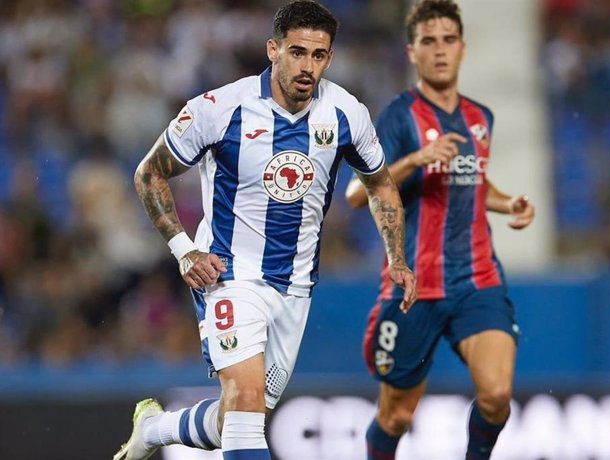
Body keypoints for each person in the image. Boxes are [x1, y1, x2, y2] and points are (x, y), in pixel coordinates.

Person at [113, 2, 417, 459]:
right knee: (247, 400)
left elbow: (379, 185)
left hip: (294, 286)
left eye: (318, 56)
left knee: (234, 419)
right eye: (297, 52)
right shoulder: (219, 109)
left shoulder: (345, 114)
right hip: (227, 273)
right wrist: (183, 250)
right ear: (273, 50)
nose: (307, 66)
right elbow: (149, 173)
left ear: (329, 58)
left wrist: (396, 257)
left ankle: (154, 429)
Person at [345, 1, 535, 459]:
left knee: (495, 396)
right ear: (412, 52)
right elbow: (356, 192)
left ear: (463, 48)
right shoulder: (397, 116)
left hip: (477, 279)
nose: (440, 50)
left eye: (449, 40)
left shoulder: (480, 117)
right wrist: (414, 160)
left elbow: (472, 179)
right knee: (396, 417)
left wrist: (509, 202)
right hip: (416, 284)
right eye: (429, 41)